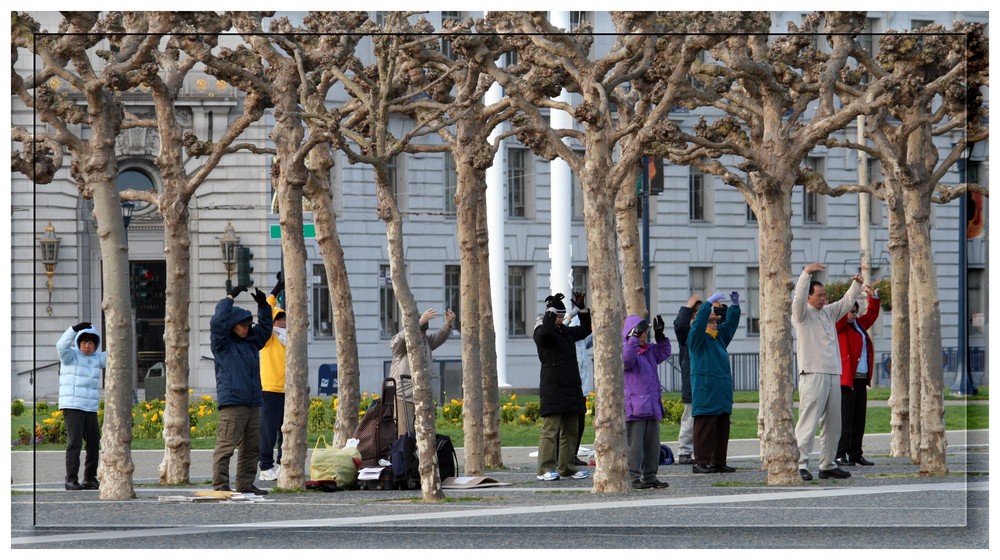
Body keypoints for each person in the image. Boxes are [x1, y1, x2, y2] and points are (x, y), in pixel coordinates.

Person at [792, 263, 863, 481]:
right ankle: (800, 463)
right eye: (820, 295)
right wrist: (806, 274)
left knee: (834, 423)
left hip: (833, 372)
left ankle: (828, 464)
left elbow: (846, 302)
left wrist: (856, 285)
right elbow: (797, 298)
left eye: (825, 295)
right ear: (809, 297)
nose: (824, 299)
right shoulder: (802, 315)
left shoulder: (829, 313)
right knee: (808, 420)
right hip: (812, 373)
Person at [210, 285, 272, 495]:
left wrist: (263, 306)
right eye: (241, 325)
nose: (246, 328)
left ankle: (245, 484)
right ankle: (220, 485)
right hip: (233, 403)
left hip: (253, 402)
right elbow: (218, 322)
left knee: (252, 448)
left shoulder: (251, 342)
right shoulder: (222, 344)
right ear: (232, 325)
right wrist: (229, 298)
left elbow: (265, 330)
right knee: (226, 446)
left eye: (248, 325)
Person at [533, 292, 591, 481]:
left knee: (571, 431)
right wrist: (551, 309)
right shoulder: (542, 331)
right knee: (551, 431)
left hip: (570, 388)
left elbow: (585, 330)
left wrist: (582, 310)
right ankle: (545, 469)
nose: (561, 319)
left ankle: (567, 467)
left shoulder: (565, 332)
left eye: (561, 316)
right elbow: (546, 332)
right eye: (558, 316)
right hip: (553, 389)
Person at [688, 292, 741, 474]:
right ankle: (700, 462)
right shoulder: (698, 340)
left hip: (721, 390)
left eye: (715, 321)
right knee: (705, 427)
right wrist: (707, 304)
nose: (715, 324)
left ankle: (718, 461)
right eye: (711, 322)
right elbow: (699, 323)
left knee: (721, 427)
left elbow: (731, 326)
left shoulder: (718, 339)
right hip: (706, 390)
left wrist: (734, 307)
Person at [622, 314, 672, 489]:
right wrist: (633, 339)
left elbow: (664, 353)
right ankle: (634, 478)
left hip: (650, 405)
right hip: (635, 408)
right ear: (632, 333)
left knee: (652, 446)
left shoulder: (649, 350)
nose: (644, 336)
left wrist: (661, 337)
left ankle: (650, 477)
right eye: (640, 333)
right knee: (635, 447)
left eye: (645, 333)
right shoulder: (627, 349)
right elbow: (626, 361)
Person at [389, 307, 455, 437]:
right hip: (403, 395)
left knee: (423, 434)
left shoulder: (426, 341)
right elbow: (394, 343)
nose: (423, 334)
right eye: (420, 331)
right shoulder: (403, 342)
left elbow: (438, 337)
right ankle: (404, 457)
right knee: (404, 434)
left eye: (425, 331)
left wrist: (447, 324)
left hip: (421, 395)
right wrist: (417, 323)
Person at [56, 321, 106, 490]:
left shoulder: (97, 358)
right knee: (74, 443)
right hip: (72, 406)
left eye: (91, 343)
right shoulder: (70, 356)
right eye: (84, 342)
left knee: (93, 444)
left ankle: (89, 479)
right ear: (78, 343)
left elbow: (116, 353)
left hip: (90, 407)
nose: (87, 346)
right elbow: (61, 345)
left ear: (95, 345)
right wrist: (73, 329)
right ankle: (71, 479)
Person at [836, 284, 880, 467]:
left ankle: (855, 453)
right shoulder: (839, 327)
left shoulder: (859, 325)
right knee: (845, 419)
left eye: (855, 311)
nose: (854, 314)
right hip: (847, 380)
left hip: (861, 378)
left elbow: (871, 315)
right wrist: (850, 295)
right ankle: (840, 454)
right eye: (851, 311)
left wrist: (874, 298)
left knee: (859, 419)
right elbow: (839, 319)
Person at [258, 275, 286, 481]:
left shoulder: (290, 336)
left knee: (286, 430)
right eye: (279, 318)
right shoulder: (269, 336)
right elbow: (266, 311)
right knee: (268, 431)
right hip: (270, 389)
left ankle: (282, 462)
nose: (283, 321)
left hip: (288, 390)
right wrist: (276, 290)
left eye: (284, 318)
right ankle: (265, 466)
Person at [672, 294, 702, 465]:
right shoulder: (687, 335)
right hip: (692, 382)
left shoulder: (708, 331)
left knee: (705, 420)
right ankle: (684, 451)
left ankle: (703, 450)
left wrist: (721, 309)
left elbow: (722, 325)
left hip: (705, 383)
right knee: (690, 418)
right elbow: (680, 325)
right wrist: (687, 307)